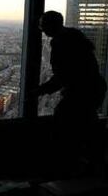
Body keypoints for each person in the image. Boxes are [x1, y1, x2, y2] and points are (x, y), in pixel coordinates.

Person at [34, 10, 107, 179]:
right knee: (87, 124)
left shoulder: (61, 43)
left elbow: (61, 76)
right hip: (93, 89)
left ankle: (70, 167)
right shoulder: (75, 38)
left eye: (43, 26)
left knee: (65, 123)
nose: (42, 30)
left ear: (51, 26)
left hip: (82, 92)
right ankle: (92, 165)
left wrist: (40, 90)